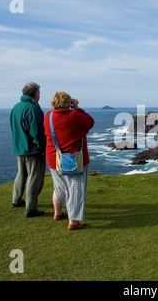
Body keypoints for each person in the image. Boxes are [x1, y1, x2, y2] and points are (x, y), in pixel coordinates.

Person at [44, 92, 94, 230]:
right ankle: (73, 222)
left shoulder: (49, 116)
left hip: (54, 158)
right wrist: (77, 108)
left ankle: (58, 213)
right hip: (74, 159)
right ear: (69, 103)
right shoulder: (74, 116)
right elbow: (90, 122)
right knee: (75, 189)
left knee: (59, 187)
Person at [10, 82, 47, 218]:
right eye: (39, 93)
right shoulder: (33, 108)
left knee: (21, 174)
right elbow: (37, 132)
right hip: (32, 150)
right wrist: (42, 147)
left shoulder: (16, 107)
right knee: (34, 178)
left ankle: (16, 200)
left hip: (19, 148)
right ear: (35, 94)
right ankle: (31, 208)